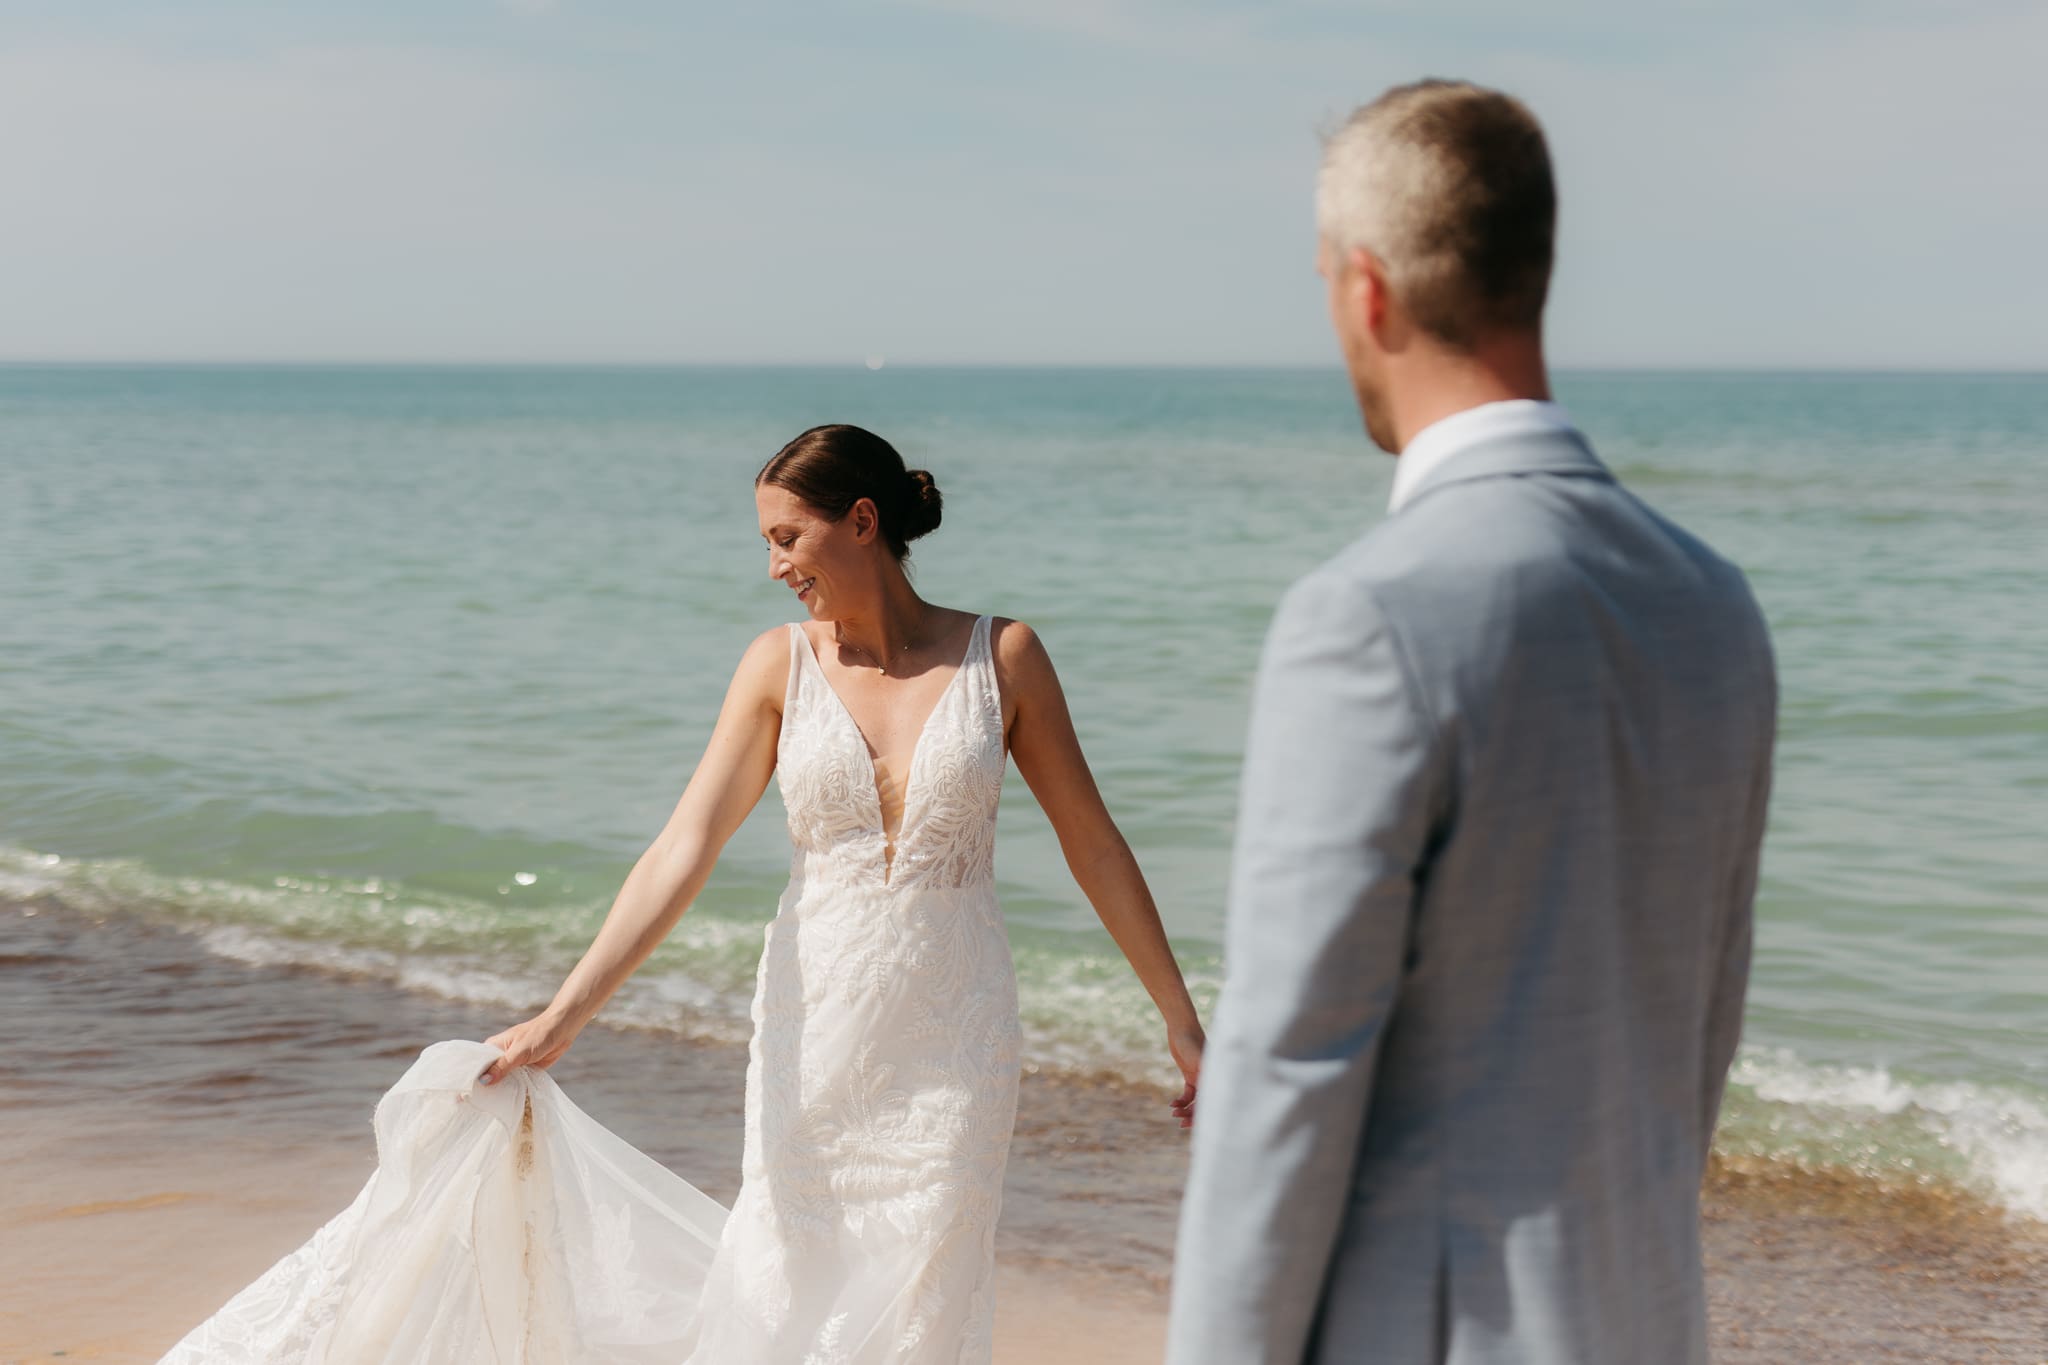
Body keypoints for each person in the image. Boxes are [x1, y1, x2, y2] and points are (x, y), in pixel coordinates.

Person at [160, 423, 1204, 1365]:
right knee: (782, 1276)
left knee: (926, 1294)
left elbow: (1094, 846)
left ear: (862, 520)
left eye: (786, 537)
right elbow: (684, 847)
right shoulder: (775, 668)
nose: (773, 566)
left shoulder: (1003, 657)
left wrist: (1180, 1021)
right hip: (815, 1027)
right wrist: (565, 1014)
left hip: (956, 1044)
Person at [1165, 81, 1776, 1365]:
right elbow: (1695, 1037)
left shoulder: (1370, 616)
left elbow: (1288, 1072)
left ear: (1364, 289)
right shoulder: (1714, 607)